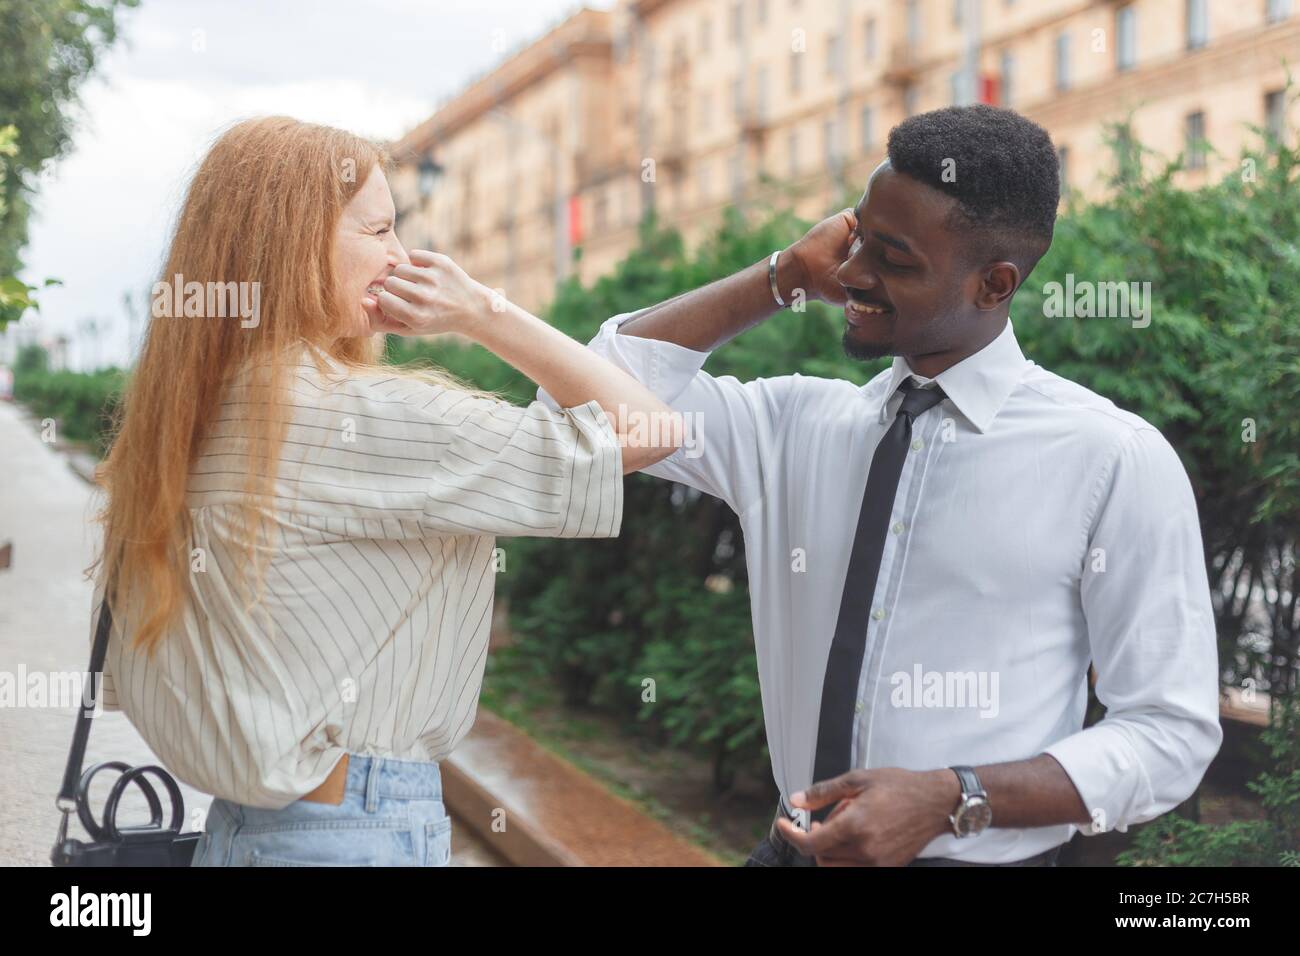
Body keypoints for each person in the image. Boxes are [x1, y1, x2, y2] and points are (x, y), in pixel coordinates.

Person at [539, 104, 1223, 867]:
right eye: (856, 235)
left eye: (894, 258)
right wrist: (784, 276)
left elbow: (1170, 730)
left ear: (993, 284)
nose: (853, 272)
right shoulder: (793, 424)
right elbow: (584, 403)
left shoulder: (1111, 458)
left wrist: (953, 796)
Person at [88, 116, 681, 866]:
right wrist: (482, 311)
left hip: (244, 833)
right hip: (352, 832)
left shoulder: (185, 417)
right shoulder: (352, 416)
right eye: (379, 230)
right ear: (295, 242)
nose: (401, 257)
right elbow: (648, 428)